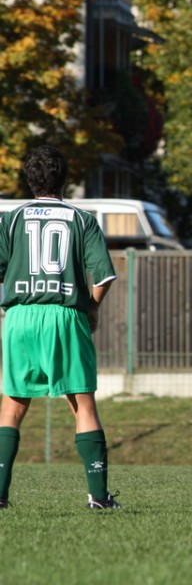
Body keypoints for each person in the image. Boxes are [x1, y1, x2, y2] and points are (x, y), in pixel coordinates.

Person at [0, 145, 120, 509]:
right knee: (82, 403)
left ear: (28, 180)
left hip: (19, 316)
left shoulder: (11, 219)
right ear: (65, 179)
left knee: (11, 407)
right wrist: (92, 309)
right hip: (65, 315)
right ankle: (98, 497)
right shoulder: (82, 220)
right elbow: (104, 276)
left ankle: (0, 495)